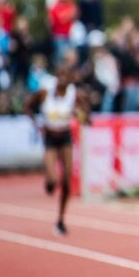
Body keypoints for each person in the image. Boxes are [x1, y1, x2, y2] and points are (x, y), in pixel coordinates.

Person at [25, 67, 91, 236]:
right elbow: (28, 105)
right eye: (60, 76)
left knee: (67, 181)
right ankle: (49, 182)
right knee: (53, 180)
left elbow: (87, 116)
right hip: (50, 138)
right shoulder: (45, 93)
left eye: (66, 77)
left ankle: (61, 220)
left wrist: (80, 115)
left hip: (65, 137)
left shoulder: (74, 95)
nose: (62, 80)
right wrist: (36, 125)